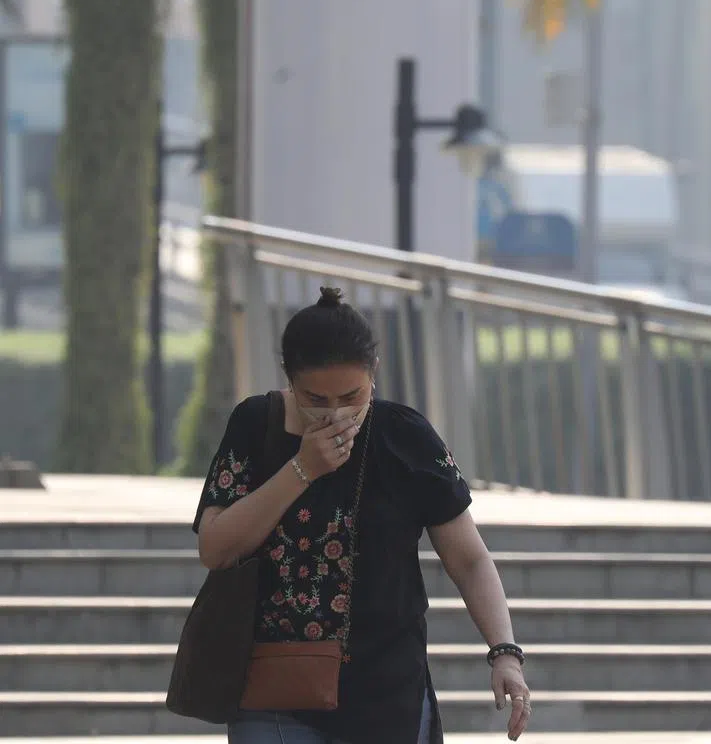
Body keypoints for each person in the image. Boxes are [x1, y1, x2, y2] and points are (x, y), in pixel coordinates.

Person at [193, 287, 531, 744]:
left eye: (352, 396)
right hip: (274, 686)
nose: (336, 414)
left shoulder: (405, 437)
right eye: (316, 399)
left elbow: (469, 558)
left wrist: (504, 652)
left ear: (373, 374)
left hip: (386, 692)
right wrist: (302, 469)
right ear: (289, 380)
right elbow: (215, 546)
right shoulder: (255, 425)